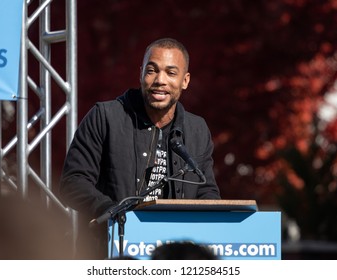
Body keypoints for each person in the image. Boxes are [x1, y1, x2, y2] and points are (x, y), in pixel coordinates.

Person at [59, 38, 221, 259]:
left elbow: (206, 191)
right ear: (141, 73)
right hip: (111, 254)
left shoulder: (197, 129)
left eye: (171, 73)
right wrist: (114, 213)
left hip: (174, 257)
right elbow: (73, 182)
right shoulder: (105, 116)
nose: (160, 80)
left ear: (185, 80)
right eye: (151, 70)